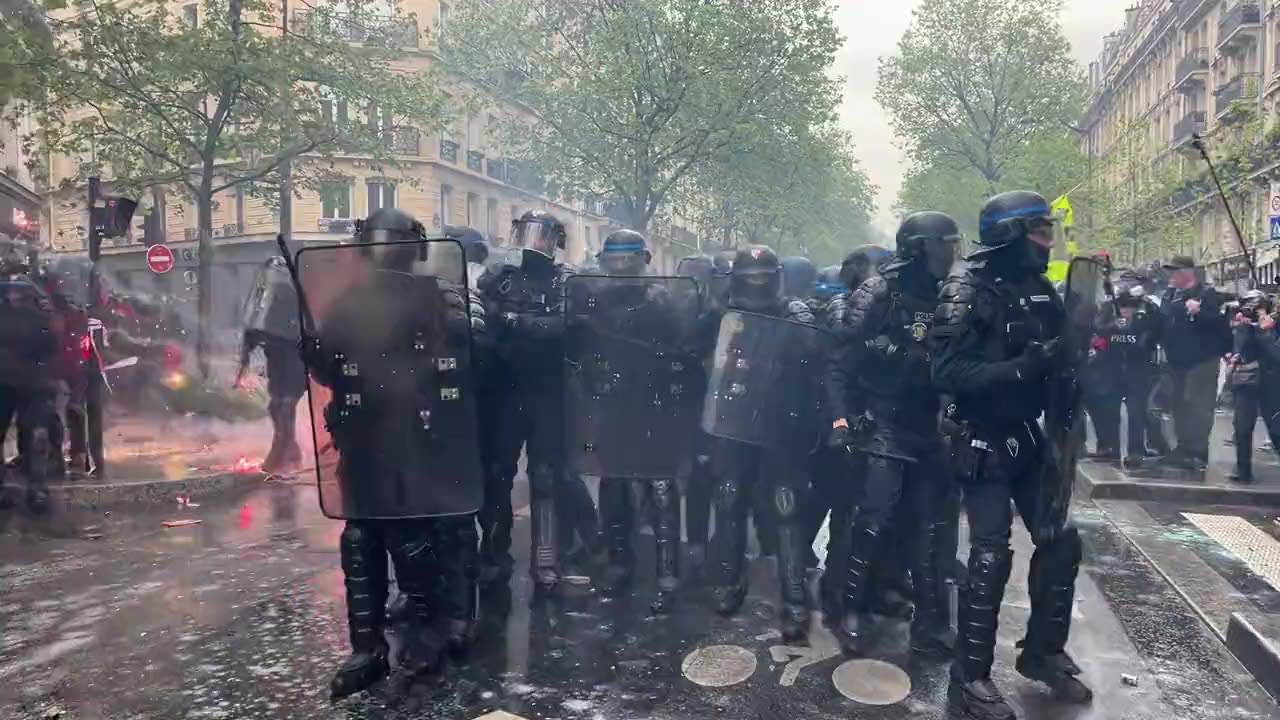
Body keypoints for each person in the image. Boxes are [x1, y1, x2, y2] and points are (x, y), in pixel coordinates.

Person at [302, 208, 485, 697]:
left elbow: (472, 364)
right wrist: (316, 353)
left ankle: (440, 629)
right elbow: (332, 373)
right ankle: (368, 646)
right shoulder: (348, 305)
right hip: (366, 437)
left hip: (426, 438)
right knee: (360, 537)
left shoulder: (441, 300)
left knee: (424, 534)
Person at [931, 191, 1092, 719]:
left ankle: (1042, 653)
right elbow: (947, 373)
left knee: (1061, 541)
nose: (1049, 240)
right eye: (1041, 231)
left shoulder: (1039, 288)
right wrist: (1024, 368)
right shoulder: (964, 287)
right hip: (979, 438)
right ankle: (969, 676)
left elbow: (1059, 353)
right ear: (1011, 235)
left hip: (1026, 435)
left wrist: (1077, 352)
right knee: (990, 554)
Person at [826, 211, 959, 657]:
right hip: (883, 424)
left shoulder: (949, 293)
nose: (952, 253)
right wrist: (841, 419)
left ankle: (930, 624)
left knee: (928, 529)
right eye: (945, 244)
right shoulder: (878, 292)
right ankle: (849, 611)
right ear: (921, 247)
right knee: (871, 521)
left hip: (928, 425)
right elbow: (841, 363)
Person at [478, 210, 598, 593]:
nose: (535, 241)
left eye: (543, 235)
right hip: (505, 388)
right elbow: (482, 321)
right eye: (528, 232)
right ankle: (494, 554)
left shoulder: (567, 280)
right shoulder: (500, 276)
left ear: (555, 240)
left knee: (546, 476)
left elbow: (569, 326)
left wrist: (518, 321)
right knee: (497, 474)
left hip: (548, 390)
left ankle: (546, 559)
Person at [574, 229, 694, 612]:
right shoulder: (596, 300)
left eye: (628, 259)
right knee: (614, 487)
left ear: (643, 261)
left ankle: (667, 572)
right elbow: (584, 351)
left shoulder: (663, 301)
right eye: (615, 260)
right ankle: (620, 562)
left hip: (654, 404)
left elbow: (683, 352)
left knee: (660, 486)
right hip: (614, 404)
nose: (622, 267)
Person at [705, 244, 817, 641]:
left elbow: (815, 361)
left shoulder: (794, 314)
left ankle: (795, 600)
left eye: (762, 278)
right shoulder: (719, 312)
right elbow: (697, 355)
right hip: (733, 421)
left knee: (786, 506)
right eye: (749, 278)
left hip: (779, 424)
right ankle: (729, 580)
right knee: (729, 496)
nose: (756, 285)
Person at [0, 237, 58, 510]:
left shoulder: (36, 317)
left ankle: (33, 487)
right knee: (28, 436)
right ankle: (30, 488)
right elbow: (51, 348)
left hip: (23, 385)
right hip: (17, 384)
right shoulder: (39, 316)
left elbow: (51, 348)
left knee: (31, 436)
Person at [1160, 255, 1232, 472]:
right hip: (1176, 361)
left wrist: (1199, 313)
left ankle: (1198, 453)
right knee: (1179, 405)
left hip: (1201, 361)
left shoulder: (1207, 295)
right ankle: (1182, 449)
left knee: (1199, 408)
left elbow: (1221, 326)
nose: (1170, 276)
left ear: (1186, 273)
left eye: (1174, 272)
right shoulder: (1170, 295)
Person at [236, 257, 305, 474]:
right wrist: (249, 348)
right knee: (278, 408)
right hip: (281, 365)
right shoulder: (276, 308)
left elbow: (283, 335)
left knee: (282, 407)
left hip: (293, 366)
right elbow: (260, 331)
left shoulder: (293, 310)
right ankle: (291, 453)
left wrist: (257, 340)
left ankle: (278, 458)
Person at [1089, 269, 1162, 467]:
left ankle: (1135, 451)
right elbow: (1097, 327)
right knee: (1110, 410)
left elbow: (1156, 330)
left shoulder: (1148, 308)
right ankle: (1111, 448)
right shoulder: (1108, 307)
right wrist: (1114, 325)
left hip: (1137, 366)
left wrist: (1139, 332)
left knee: (1136, 412)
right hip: (1111, 366)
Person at [1227, 290, 1280, 483]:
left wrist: (1264, 331)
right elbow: (1238, 350)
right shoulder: (1243, 325)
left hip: (1272, 384)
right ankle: (1243, 470)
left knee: (1276, 430)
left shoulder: (1274, 324)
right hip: (1247, 382)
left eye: (1254, 308)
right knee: (1241, 427)